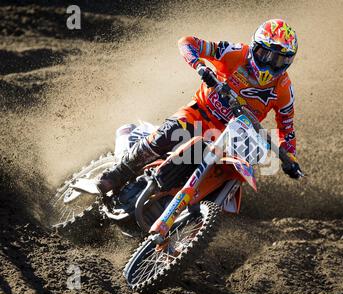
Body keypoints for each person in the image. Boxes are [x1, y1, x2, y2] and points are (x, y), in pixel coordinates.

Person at [96, 19, 303, 194]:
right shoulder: (235, 53)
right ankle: (118, 173)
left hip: (232, 137)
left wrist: (289, 158)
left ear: (288, 61)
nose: (269, 64)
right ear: (255, 46)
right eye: (265, 55)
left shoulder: (284, 90)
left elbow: (286, 128)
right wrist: (200, 66)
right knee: (169, 133)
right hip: (198, 115)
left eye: (278, 60)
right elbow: (187, 42)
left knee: (233, 174)